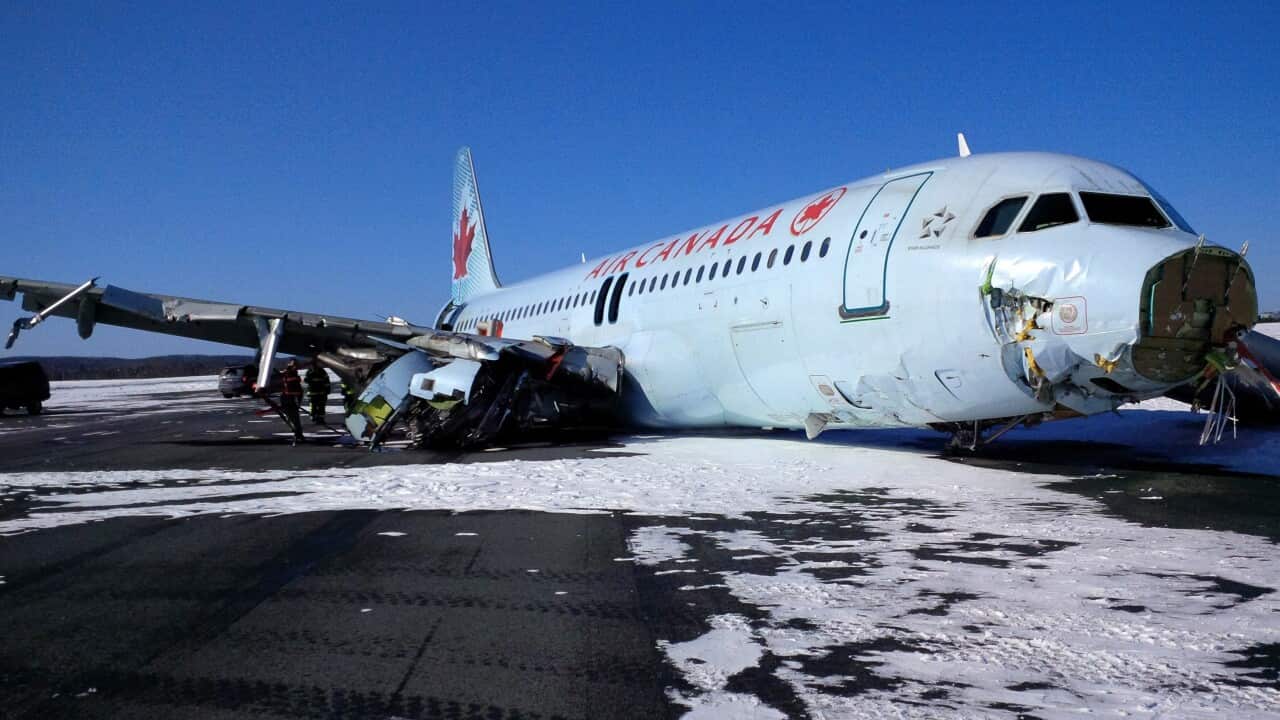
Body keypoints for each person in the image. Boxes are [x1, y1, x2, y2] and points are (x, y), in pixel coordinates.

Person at [279, 359, 305, 444]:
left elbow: (298, 389)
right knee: (292, 417)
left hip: (291, 399)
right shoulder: (287, 373)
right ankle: (298, 433)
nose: (295, 366)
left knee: (294, 418)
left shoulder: (292, 374)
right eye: (294, 365)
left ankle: (298, 434)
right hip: (287, 398)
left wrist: (299, 399)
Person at [304, 359, 332, 424]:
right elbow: (306, 381)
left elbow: (327, 381)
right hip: (313, 393)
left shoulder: (322, 371)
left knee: (321, 407)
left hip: (321, 392)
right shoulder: (309, 372)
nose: (314, 366)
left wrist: (328, 389)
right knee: (313, 406)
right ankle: (314, 417)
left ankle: (321, 419)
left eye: (315, 364)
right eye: (313, 364)